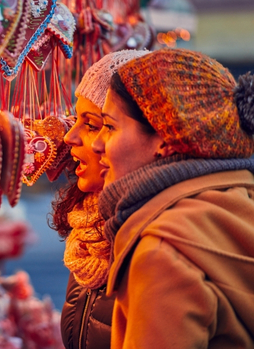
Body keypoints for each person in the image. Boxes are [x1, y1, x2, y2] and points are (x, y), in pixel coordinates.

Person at [92, 48, 254, 348]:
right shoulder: (239, 200)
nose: (97, 144)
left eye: (109, 127)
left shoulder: (163, 253)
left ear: (166, 139)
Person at [49, 49, 149, 349]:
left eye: (93, 125)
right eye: (76, 120)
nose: (70, 137)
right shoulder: (87, 234)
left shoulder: (151, 241)